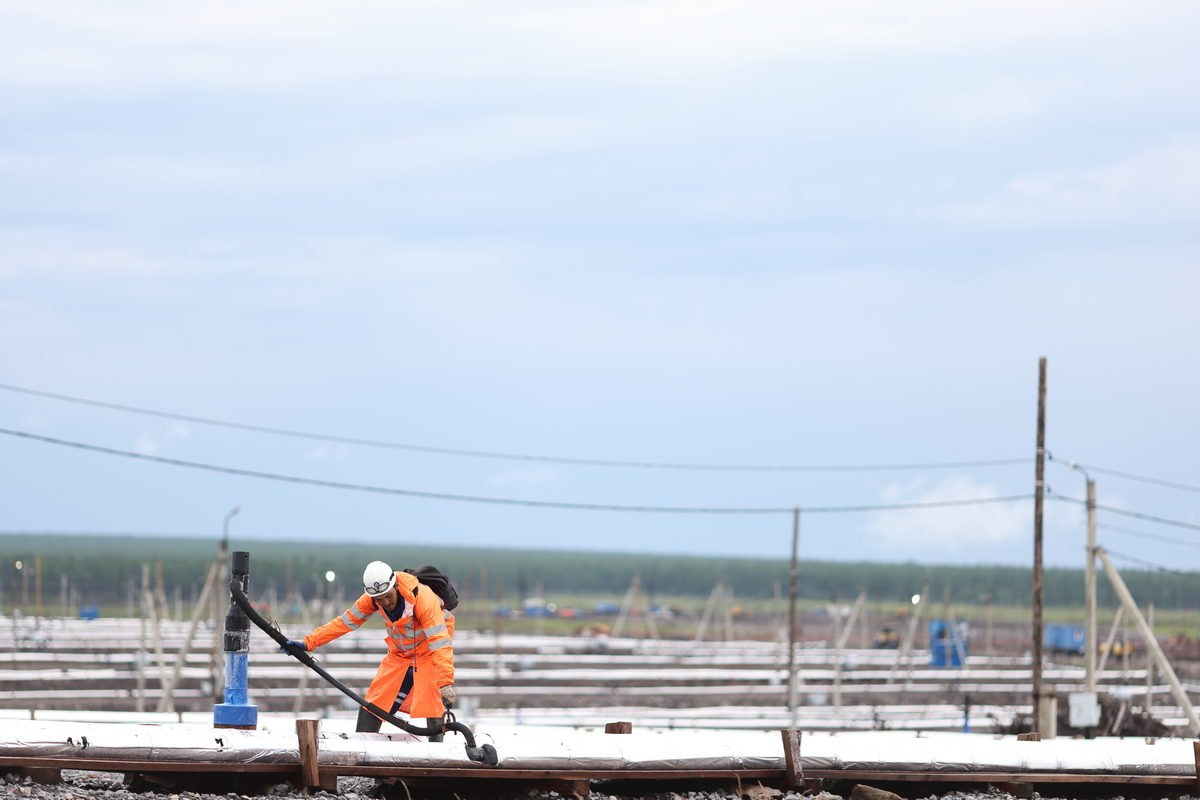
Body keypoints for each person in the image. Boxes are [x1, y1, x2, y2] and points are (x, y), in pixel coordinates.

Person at [282, 560, 456, 734]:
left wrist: (445, 682)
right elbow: (344, 622)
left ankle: (436, 749)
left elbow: (439, 641)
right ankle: (363, 745)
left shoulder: (423, 598)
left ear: (395, 586)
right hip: (401, 651)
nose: (386, 602)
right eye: (379, 600)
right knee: (376, 701)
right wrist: (308, 642)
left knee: (431, 698)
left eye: (388, 596)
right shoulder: (372, 600)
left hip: (428, 648)